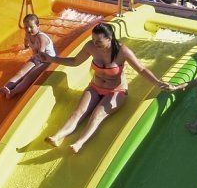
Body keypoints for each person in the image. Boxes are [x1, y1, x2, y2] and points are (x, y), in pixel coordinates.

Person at [43, 23, 169, 153]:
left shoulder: (122, 51)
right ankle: (57, 137)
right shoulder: (90, 47)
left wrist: (158, 83)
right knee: (78, 112)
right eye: (93, 40)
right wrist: (52, 59)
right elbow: (75, 61)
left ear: (109, 38)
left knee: (97, 114)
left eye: (99, 41)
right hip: (95, 87)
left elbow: (141, 69)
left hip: (116, 91)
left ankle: (79, 143)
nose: (95, 43)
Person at [0, 13, 57, 99]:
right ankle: (6, 87)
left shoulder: (41, 38)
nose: (28, 29)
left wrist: (34, 64)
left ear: (38, 26)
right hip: (37, 58)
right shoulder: (28, 35)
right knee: (20, 73)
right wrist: (26, 46)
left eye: (31, 27)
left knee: (29, 76)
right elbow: (26, 43)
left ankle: (13, 92)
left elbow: (41, 53)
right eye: (26, 27)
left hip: (47, 61)